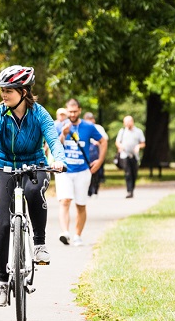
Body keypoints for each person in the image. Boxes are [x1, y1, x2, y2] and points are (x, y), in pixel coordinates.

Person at [0, 65, 67, 307]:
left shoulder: (40, 114)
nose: (4, 95)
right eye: (2, 90)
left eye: (9, 90)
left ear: (24, 91)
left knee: (34, 191)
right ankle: (3, 283)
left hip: (35, 165)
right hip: (4, 167)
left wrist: (59, 159)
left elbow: (53, 139)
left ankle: (40, 244)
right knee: (3, 225)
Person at [55, 98, 107, 247]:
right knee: (65, 201)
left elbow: (103, 141)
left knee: (81, 205)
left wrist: (100, 160)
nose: (72, 114)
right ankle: (65, 232)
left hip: (83, 171)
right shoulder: (59, 126)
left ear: (79, 110)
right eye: (69, 111)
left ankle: (78, 235)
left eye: (74, 111)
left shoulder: (88, 127)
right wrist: (63, 135)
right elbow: (54, 147)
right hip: (64, 170)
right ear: (66, 111)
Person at [115, 115, 147, 198]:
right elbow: (117, 142)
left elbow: (143, 143)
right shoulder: (122, 131)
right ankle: (129, 191)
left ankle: (132, 188)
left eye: (129, 122)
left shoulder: (138, 131)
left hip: (135, 156)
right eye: (125, 122)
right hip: (125, 155)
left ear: (132, 122)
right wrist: (120, 147)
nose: (127, 124)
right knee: (128, 173)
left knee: (134, 173)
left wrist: (138, 146)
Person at [82, 112, 107, 196]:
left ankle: (95, 190)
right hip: (86, 153)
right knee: (86, 172)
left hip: (96, 153)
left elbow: (104, 140)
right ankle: (88, 191)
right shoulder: (82, 128)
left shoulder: (98, 128)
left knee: (96, 172)